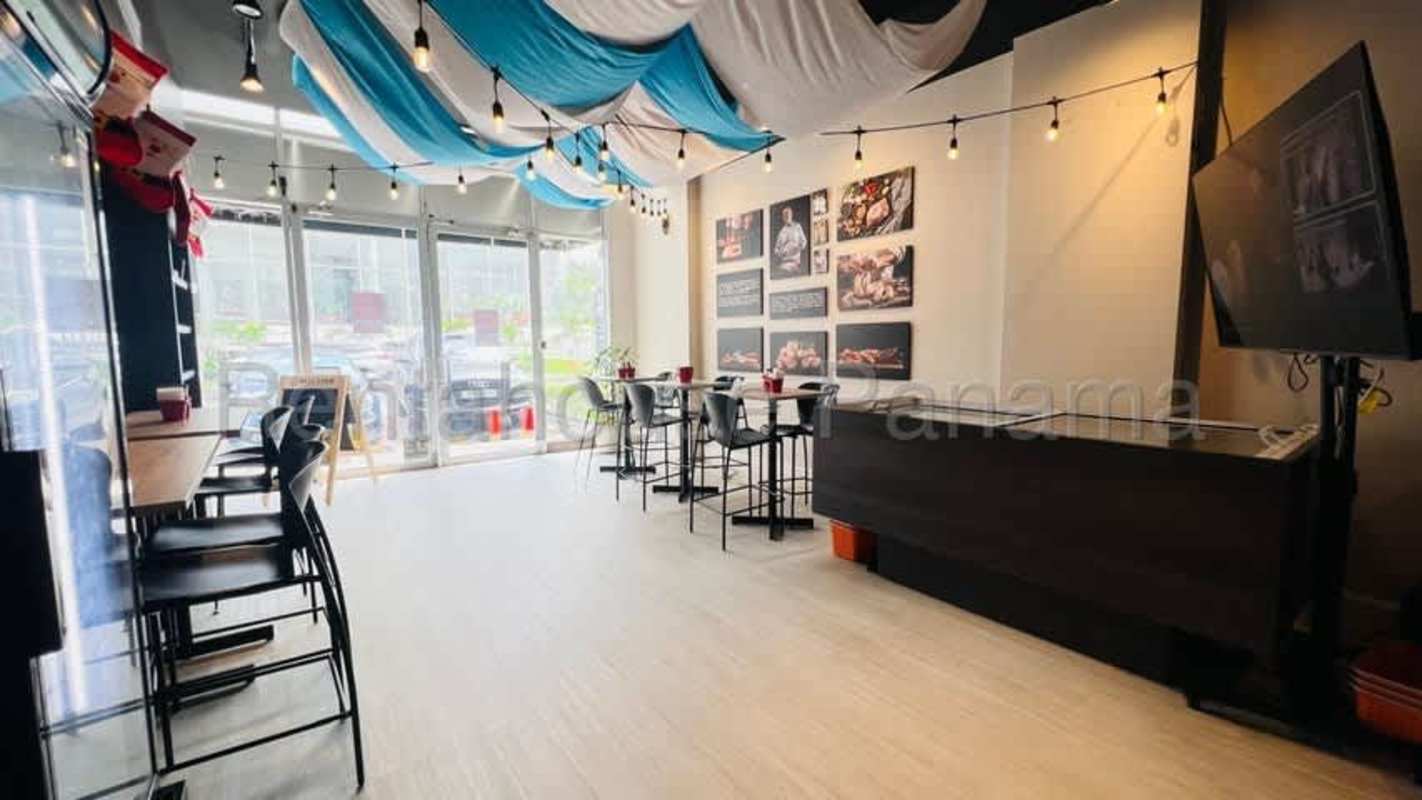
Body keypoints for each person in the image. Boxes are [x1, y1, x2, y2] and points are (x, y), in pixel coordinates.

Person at [773, 205, 807, 273]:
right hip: (784, 262)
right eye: (785, 215)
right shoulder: (781, 231)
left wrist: (797, 248)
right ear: (783, 217)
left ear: (791, 215)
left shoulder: (797, 227)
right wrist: (780, 253)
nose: (787, 216)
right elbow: (776, 248)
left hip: (795, 261)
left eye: (788, 214)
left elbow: (804, 241)